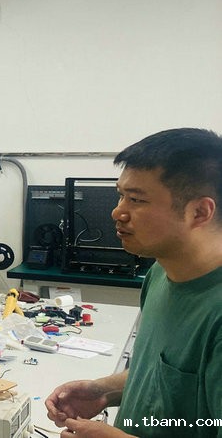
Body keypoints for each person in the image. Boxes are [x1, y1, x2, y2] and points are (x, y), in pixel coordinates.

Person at [45, 128, 222, 438]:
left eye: (137, 200)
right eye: (121, 195)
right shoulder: (160, 274)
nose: (118, 211)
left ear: (199, 212)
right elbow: (161, 375)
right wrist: (104, 391)